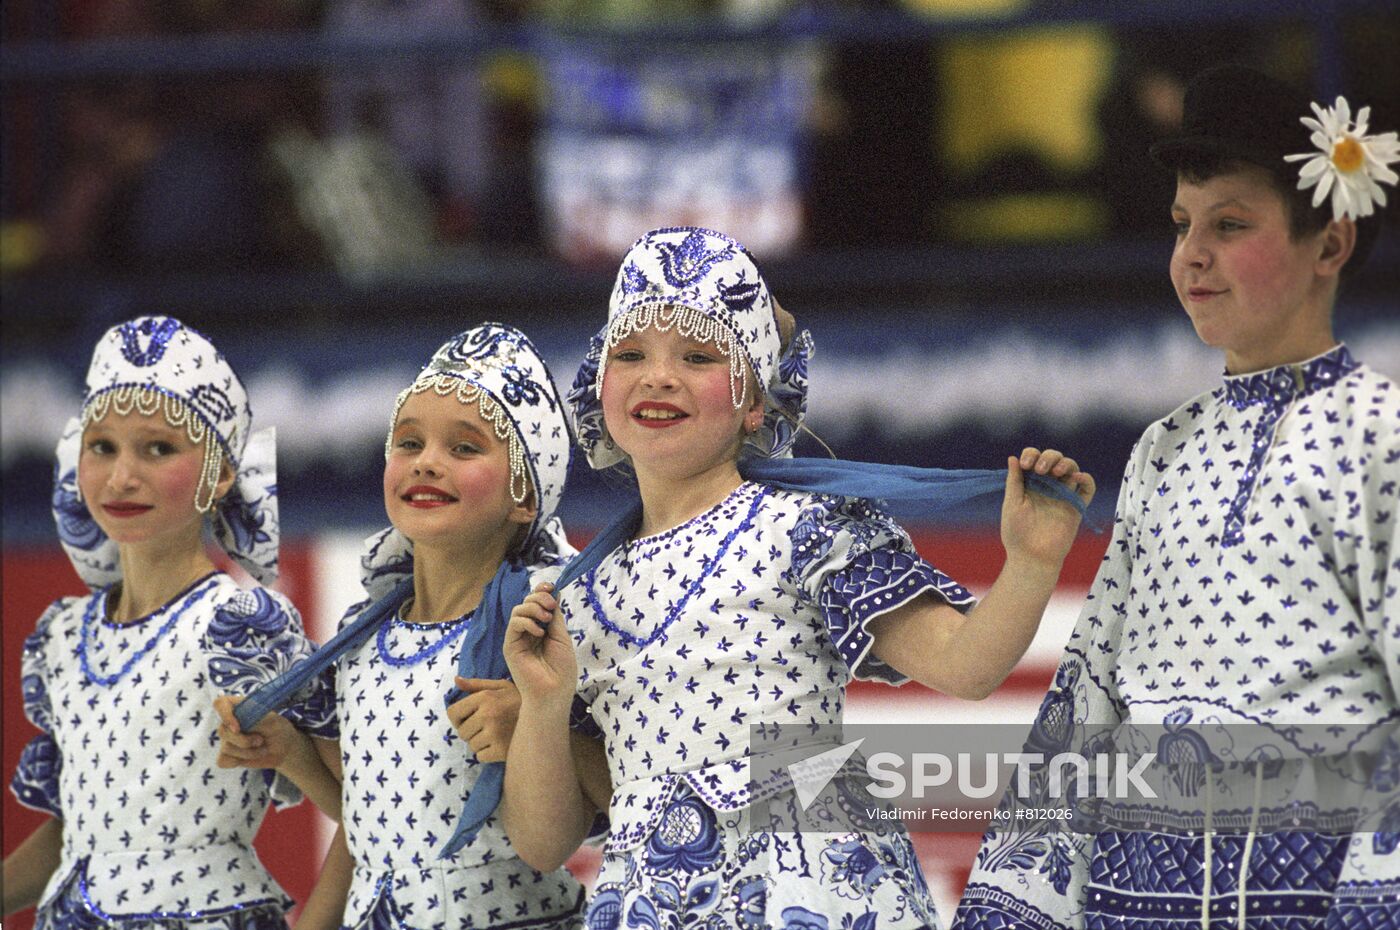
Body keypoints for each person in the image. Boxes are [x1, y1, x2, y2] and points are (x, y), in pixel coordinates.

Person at [499, 226, 1096, 928]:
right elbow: (544, 843)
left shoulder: (806, 529)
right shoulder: (578, 597)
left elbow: (966, 666)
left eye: (697, 355)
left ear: (755, 403)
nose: (658, 375)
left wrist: (1032, 563)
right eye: (631, 354)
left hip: (809, 892)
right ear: (599, 383)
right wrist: (542, 705)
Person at [952, 64, 1400, 930]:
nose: (1192, 253)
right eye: (1181, 224)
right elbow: (1088, 706)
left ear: (1331, 245)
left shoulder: (1377, 441)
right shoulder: (1164, 450)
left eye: (1230, 225)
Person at [215, 323, 604, 930]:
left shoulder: (538, 630)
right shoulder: (362, 638)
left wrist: (538, 721)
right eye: (409, 442)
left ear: (525, 496)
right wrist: (293, 755)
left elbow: (573, 827)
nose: (427, 463)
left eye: (465, 448)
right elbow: (372, 832)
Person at [1, 315, 338, 925]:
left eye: (158, 448)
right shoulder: (62, 636)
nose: (122, 476)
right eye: (103, 447)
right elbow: (81, 833)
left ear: (222, 473)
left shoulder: (241, 625)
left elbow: (368, 813)